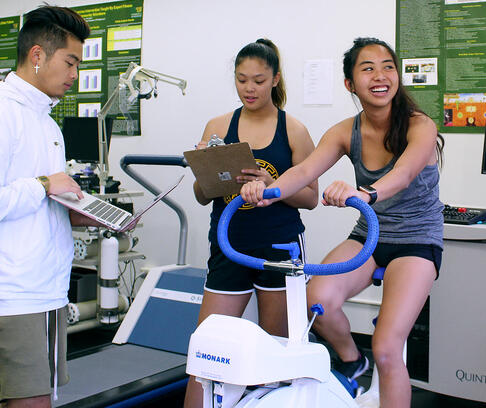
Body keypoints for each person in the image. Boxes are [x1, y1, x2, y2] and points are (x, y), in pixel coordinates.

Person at [240, 37, 444, 408]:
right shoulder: (344, 131)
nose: (380, 76)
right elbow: (302, 171)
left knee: (386, 348)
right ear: (351, 84)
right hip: (369, 235)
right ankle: (352, 359)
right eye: (368, 69)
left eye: (387, 67)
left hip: (416, 240)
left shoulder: (420, 126)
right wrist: (267, 191)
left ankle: (373, 363)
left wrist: (365, 194)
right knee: (315, 300)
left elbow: (403, 172)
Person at [0, 5, 95, 408]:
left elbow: (34, 198)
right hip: (9, 292)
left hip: (45, 288)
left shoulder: (45, 122)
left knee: (42, 401)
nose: (74, 75)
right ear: (37, 56)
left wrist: (76, 211)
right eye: (70, 63)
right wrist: (46, 184)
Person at [183, 38, 318, 408]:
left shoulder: (294, 130)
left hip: (278, 247)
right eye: (242, 80)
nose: (249, 88)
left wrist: (273, 185)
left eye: (258, 80)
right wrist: (209, 170)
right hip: (229, 246)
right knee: (206, 349)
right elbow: (200, 195)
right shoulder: (218, 125)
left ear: (275, 79)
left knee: (276, 352)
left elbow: (311, 198)